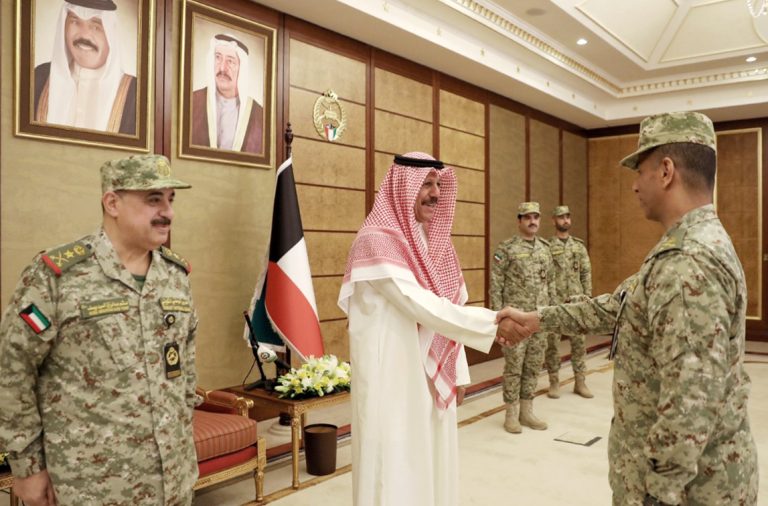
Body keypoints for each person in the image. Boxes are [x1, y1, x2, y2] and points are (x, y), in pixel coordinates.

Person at [500, 112, 759, 505]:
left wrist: (658, 492)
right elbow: (616, 307)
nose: (635, 185)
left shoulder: (687, 261)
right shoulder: (686, 246)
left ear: (666, 171)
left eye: (640, 171)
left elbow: (691, 400)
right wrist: (538, 319)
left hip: (687, 491)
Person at [0, 154, 199, 506]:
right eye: (153, 199)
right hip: (90, 486)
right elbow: (12, 371)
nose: (167, 212)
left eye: (171, 199)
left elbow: (184, 373)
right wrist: (27, 467)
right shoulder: (57, 276)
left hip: (173, 477)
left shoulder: (175, 276)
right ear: (112, 203)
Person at [338, 152, 523, 506]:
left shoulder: (435, 243)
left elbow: (451, 305)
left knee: (432, 461)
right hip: (391, 377)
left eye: (439, 184)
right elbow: (419, 303)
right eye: (426, 184)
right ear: (402, 187)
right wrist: (492, 322)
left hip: (430, 374)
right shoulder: (375, 241)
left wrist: (458, 371)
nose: (436, 193)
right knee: (392, 466)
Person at [490, 201, 555, 433]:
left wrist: (552, 313)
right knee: (514, 366)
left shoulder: (545, 249)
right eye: (527, 217)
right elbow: (496, 284)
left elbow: (551, 283)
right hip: (515, 320)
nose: (532, 221)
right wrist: (498, 319)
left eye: (536, 217)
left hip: (539, 318)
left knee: (534, 365)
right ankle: (511, 413)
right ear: (519, 221)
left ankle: (527, 411)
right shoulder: (506, 249)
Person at [34, 0, 137, 134]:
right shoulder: (39, 77)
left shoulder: (135, 94)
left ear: (111, 34)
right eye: (75, 22)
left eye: (96, 26)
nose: (84, 35)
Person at [545, 205, 593, 398]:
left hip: (576, 302)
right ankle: (554, 382)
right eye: (561, 217)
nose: (565, 220)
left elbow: (586, 273)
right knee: (552, 344)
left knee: (579, 343)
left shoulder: (578, 246)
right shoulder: (548, 247)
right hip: (555, 302)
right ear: (554, 221)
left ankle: (580, 382)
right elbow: (545, 275)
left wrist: (587, 297)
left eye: (567, 217)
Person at [191, 33, 264, 154]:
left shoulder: (260, 116)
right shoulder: (192, 102)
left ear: (242, 68)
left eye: (230, 61)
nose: (222, 68)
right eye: (218, 58)